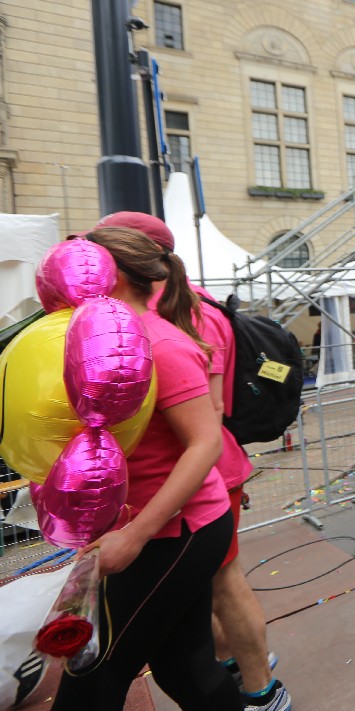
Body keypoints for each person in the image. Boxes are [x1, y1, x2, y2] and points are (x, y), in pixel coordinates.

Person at [93, 212, 287, 710]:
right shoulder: (165, 308)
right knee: (189, 645)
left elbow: (207, 419)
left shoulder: (176, 317)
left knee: (223, 585)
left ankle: (262, 688)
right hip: (194, 480)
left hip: (202, 482)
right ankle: (235, 679)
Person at [55, 226, 240, 711]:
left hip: (178, 531)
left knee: (92, 676)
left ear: (112, 275)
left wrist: (134, 536)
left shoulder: (159, 343)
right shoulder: (102, 339)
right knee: (186, 670)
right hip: (153, 530)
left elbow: (205, 443)